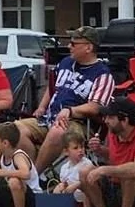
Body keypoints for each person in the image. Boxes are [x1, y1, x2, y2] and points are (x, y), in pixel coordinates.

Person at [18, 29, 117, 173]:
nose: (69, 46)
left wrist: (71, 111)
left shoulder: (102, 75)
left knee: (57, 132)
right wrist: (41, 107)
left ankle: (34, 177)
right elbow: (52, 89)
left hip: (79, 124)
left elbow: (96, 107)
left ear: (88, 47)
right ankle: (31, 172)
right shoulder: (65, 62)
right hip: (49, 117)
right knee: (14, 130)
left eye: (73, 43)